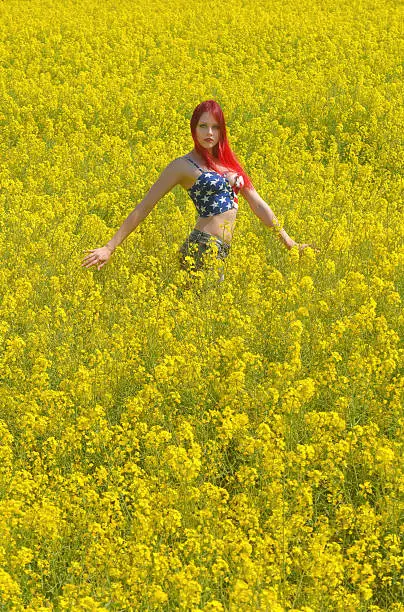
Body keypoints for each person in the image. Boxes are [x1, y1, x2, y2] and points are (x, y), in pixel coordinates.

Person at [81, 100, 318, 279]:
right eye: (203, 126)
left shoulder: (230, 165)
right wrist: (109, 247)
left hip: (221, 250)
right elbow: (145, 206)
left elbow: (257, 204)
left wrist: (289, 243)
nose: (209, 133)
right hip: (201, 247)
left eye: (215, 127)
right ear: (194, 129)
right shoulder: (183, 166)